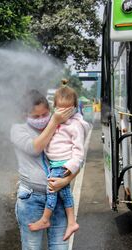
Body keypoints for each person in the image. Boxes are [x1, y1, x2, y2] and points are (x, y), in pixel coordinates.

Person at [11, 89, 81, 250]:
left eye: (46, 113)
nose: (42, 118)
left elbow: (74, 156)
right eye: (37, 115)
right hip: (31, 198)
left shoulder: (63, 126)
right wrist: (54, 122)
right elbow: (35, 148)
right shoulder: (18, 130)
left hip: (59, 199)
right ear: (26, 115)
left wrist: (66, 180)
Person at [28, 86, 90, 241]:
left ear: (75, 108)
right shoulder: (54, 121)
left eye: (67, 109)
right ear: (55, 108)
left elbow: (79, 152)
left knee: (52, 190)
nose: (63, 113)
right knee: (65, 193)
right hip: (54, 163)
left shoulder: (75, 125)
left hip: (62, 164)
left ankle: (45, 219)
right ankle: (72, 222)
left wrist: (69, 168)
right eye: (59, 109)